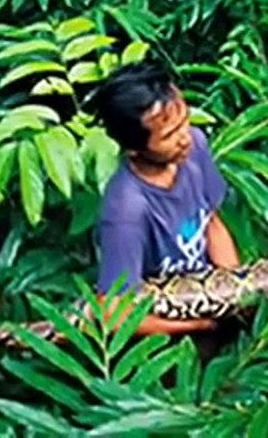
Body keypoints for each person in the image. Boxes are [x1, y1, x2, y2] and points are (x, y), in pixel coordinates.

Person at [89, 61, 241, 339]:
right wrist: (192, 328)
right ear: (134, 149)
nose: (184, 137)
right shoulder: (126, 210)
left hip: (205, 301)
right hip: (161, 337)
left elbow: (211, 223)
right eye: (169, 135)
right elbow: (112, 311)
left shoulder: (195, 145)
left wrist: (234, 290)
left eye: (184, 120)